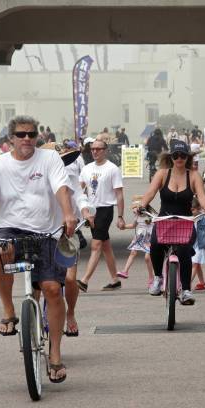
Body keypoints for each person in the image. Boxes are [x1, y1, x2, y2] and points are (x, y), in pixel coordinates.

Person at [0, 115, 77, 383]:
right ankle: (9, 311)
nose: (28, 139)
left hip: (45, 232)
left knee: (53, 289)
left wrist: (68, 215)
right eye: (21, 135)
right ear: (11, 139)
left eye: (32, 134)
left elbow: (61, 188)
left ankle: (55, 354)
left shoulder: (49, 159)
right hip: (10, 228)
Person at [138, 140, 205, 305]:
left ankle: (186, 290)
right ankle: (158, 278)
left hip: (185, 222)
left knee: (185, 252)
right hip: (164, 221)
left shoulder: (193, 175)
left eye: (183, 155)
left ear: (188, 157)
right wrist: (142, 205)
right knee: (155, 245)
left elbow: (201, 195)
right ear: (170, 157)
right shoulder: (162, 174)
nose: (179, 158)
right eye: (175, 155)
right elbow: (150, 192)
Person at [45, 143, 93, 337]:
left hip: (67, 232)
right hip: (42, 233)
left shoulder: (69, 176)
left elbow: (80, 197)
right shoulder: (37, 178)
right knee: (38, 282)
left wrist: (86, 211)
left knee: (70, 278)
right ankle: (35, 316)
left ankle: (70, 314)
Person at [76, 140, 125, 292]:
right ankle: (115, 280)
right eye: (93, 149)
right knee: (105, 246)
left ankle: (84, 281)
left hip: (105, 210)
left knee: (96, 245)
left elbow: (119, 194)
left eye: (98, 149)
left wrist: (120, 216)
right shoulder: (87, 168)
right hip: (92, 211)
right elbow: (80, 189)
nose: (95, 152)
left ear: (105, 150)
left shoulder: (112, 169)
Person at [117, 197, 155, 288]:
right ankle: (125, 271)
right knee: (133, 252)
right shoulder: (137, 216)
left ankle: (151, 277)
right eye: (133, 208)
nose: (134, 210)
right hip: (140, 236)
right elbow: (134, 225)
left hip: (149, 238)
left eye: (135, 208)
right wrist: (124, 227)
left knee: (147, 258)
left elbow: (156, 224)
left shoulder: (150, 215)